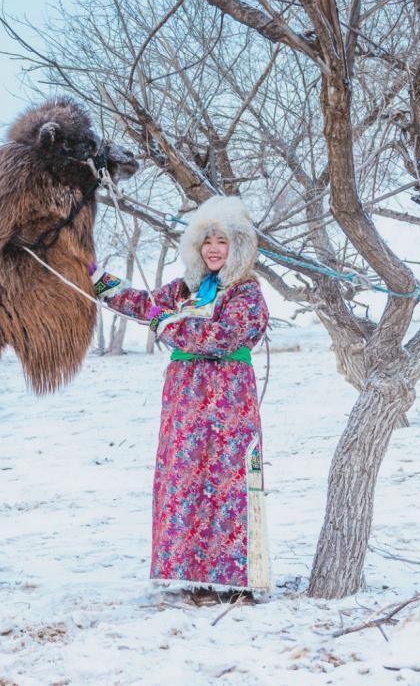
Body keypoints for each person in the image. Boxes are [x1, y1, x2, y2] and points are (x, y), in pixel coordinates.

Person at [90, 195, 271, 605]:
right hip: (185, 403)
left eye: (222, 242)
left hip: (227, 402)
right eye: (207, 241)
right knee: (187, 483)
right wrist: (98, 279)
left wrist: (169, 326)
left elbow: (224, 337)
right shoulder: (189, 289)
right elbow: (144, 305)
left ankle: (235, 582)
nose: (213, 249)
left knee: (226, 484)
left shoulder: (246, 293)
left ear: (238, 246)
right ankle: (196, 578)